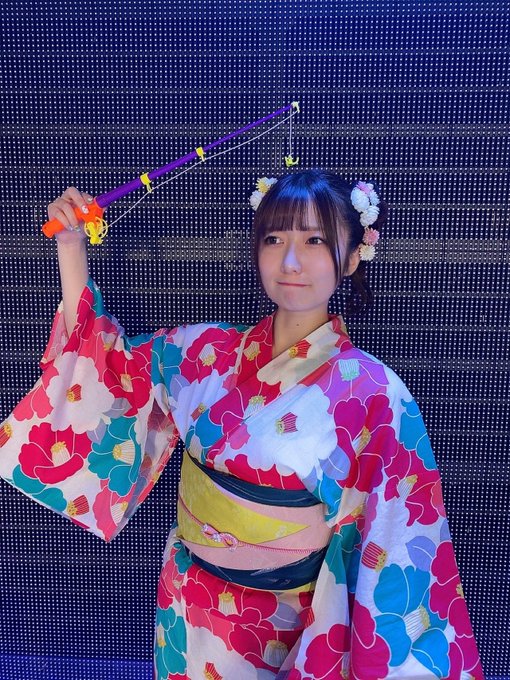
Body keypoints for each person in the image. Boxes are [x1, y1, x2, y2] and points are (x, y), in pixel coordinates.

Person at [0, 170, 483, 679]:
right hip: (187, 606)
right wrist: (72, 246)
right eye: (274, 239)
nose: (290, 261)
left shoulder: (376, 394)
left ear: (353, 254)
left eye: (315, 241)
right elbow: (107, 369)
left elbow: (398, 538)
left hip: (283, 630)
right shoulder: (205, 352)